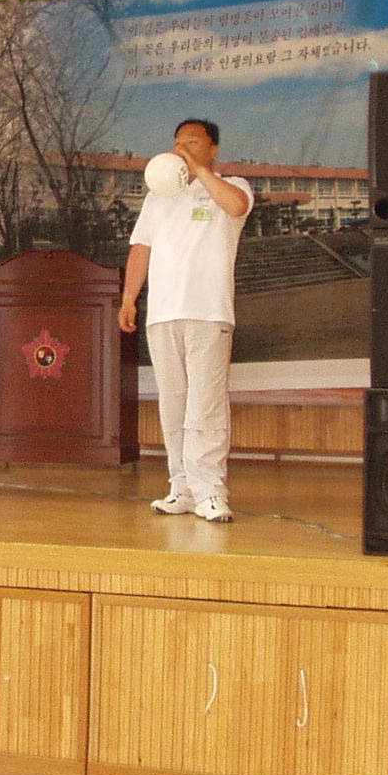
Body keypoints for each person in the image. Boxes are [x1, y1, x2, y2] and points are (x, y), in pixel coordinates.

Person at [119, 119, 252, 523]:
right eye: (178, 142)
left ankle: (210, 491)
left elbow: (237, 207)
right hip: (163, 314)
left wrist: (199, 171)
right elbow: (141, 248)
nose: (182, 148)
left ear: (213, 149)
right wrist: (129, 299)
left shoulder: (233, 186)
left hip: (208, 312)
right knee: (173, 404)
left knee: (205, 404)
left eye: (193, 141)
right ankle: (182, 487)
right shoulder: (159, 196)